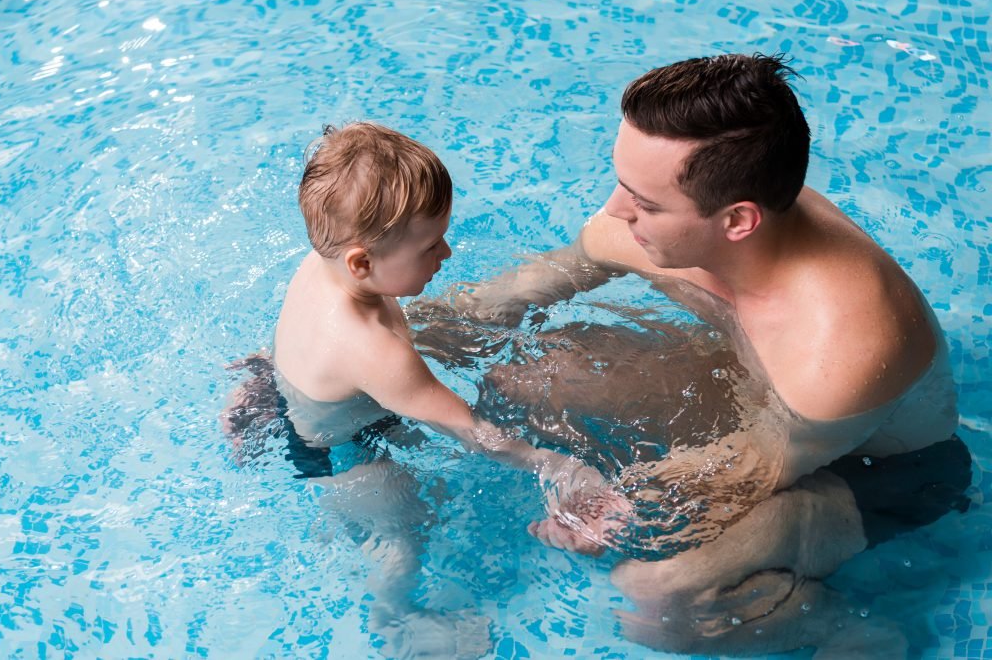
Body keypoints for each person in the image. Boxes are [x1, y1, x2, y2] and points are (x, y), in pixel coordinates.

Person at [415, 54, 969, 656]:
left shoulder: (842, 347)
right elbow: (502, 301)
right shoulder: (677, 209)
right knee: (532, 374)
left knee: (654, 597)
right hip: (758, 392)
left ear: (738, 221)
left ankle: (838, 627)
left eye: (646, 204)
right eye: (622, 182)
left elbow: (729, 480)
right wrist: (374, 340)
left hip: (878, 474)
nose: (617, 210)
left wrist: (599, 504)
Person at [222, 122, 608, 659]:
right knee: (402, 543)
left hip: (316, 408)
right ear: (362, 262)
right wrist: (557, 467)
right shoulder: (374, 351)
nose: (446, 253)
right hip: (344, 456)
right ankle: (394, 621)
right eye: (430, 245)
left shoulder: (323, 263)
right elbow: (470, 432)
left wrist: (266, 377)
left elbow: (303, 342)